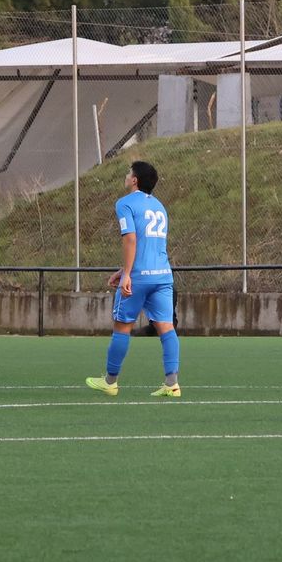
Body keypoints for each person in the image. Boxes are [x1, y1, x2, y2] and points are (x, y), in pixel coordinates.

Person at [86, 160, 182, 398]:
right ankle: (172, 384)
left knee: (122, 326)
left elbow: (131, 239)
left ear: (135, 180)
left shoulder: (125, 203)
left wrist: (127, 274)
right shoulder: (160, 207)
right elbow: (151, 245)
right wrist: (123, 269)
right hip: (162, 275)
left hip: (138, 278)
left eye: (129, 173)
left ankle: (110, 381)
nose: (126, 176)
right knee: (166, 327)